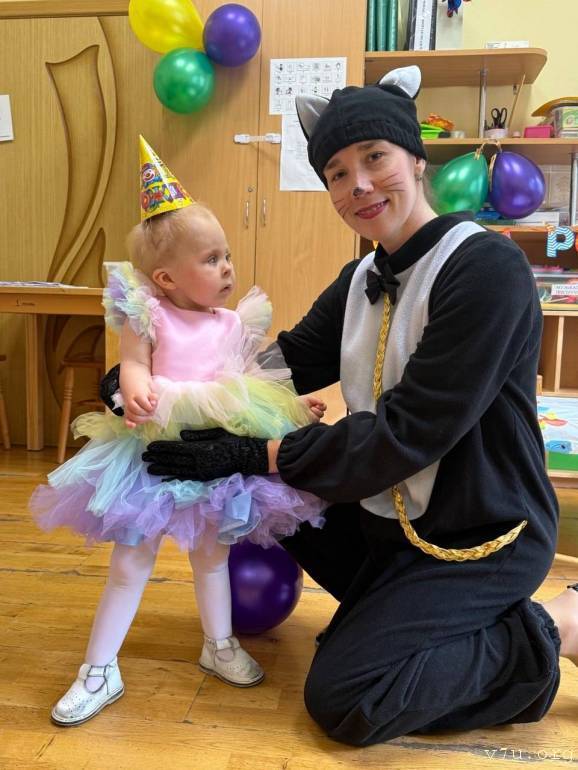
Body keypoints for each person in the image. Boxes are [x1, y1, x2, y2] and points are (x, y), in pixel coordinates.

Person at [103, 69, 578, 747]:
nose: (357, 184)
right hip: (389, 520)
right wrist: (147, 374)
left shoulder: (487, 272)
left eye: (375, 158)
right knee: (262, 500)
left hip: (478, 533)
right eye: (336, 172)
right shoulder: (359, 279)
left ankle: (556, 626)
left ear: (417, 158)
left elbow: (403, 436)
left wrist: (258, 450)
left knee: (347, 697)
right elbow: (273, 368)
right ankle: (398, 617)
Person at [31, 137, 327, 727]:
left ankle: (218, 644)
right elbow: (131, 364)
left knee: (212, 556)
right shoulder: (149, 313)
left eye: (227, 255)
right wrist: (134, 388)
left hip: (217, 453)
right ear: (166, 277)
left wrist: (294, 408)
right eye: (211, 259)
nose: (228, 268)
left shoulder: (232, 321)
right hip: (154, 451)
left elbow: (250, 383)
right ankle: (99, 668)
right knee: (131, 560)